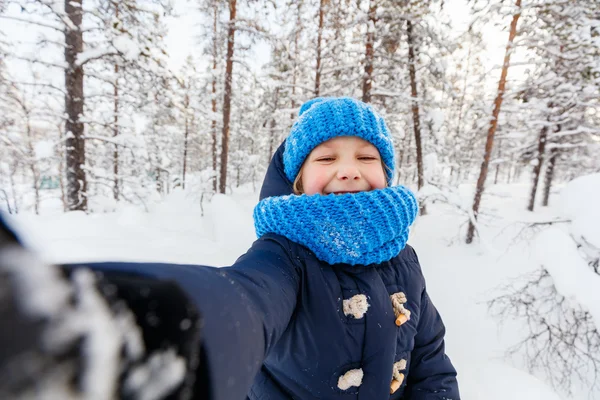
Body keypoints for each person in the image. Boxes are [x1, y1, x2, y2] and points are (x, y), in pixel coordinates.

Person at [0, 97, 459, 400]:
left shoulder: (403, 258)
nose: (348, 170)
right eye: (326, 157)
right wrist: (135, 328)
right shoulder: (286, 255)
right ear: (298, 182)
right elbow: (243, 302)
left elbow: (429, 355)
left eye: (366, 156)